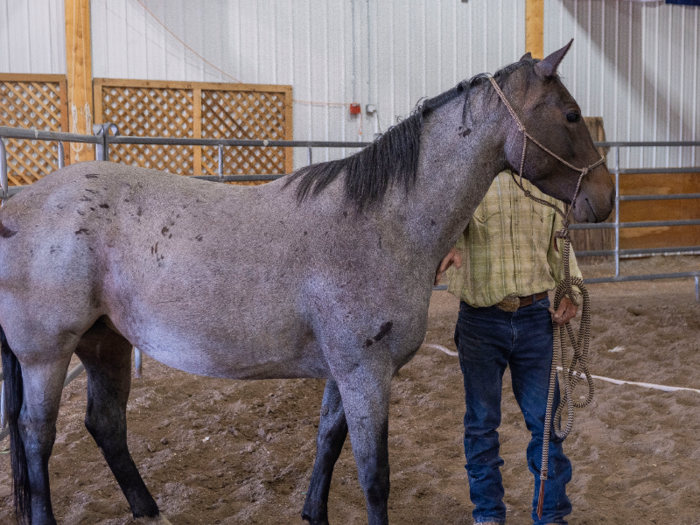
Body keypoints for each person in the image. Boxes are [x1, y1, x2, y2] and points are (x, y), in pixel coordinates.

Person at [435, 170, 582, 525]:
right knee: (482, 424)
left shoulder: (543, 184)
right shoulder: (471, 180)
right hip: (480, 321)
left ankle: (550, 516)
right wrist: (442, 246)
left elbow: (559, 243)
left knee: (546, 422)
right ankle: (488, 515)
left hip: (536, 318)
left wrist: (571, 290)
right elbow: (442, 228)